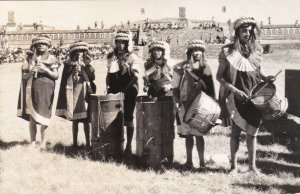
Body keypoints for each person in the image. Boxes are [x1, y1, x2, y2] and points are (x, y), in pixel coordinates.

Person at [216, 16, 275, 174]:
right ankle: (233, 167)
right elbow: (219, 77)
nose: (247, 34)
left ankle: (252, 167)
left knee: (252, 133)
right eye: (244, 31)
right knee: (236, 132)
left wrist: (266, 78)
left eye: (250, 31)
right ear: (237, 32)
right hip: (237, 97)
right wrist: (236, 91)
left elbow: (258, 71)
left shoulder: (256, 50)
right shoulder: (228, 51)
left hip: (255, 97)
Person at [172, 40, 215, 170]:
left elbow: (211, 87)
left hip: (201, 105)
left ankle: (202, 163)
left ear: (203, 52)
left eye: (199, 51)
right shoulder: (181, 67)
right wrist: (177, 101)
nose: (197, 53)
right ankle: (189, 161)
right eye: (194, 51)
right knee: (188, 134)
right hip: (185, 103)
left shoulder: (205, 67)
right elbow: (175, 87)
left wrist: (202, 85)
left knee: (199, 134)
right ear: (189, 53)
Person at [17, 35, 59, 149]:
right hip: (32, 89)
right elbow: (24, 76)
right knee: (32, 117)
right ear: (35, 46)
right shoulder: (29, 59)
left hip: (46, 90)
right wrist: (31, 72)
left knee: (44, 115)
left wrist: (45, 70)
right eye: (39, 44)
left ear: (47, 46)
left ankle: (43, 143)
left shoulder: (52, 58)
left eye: (44, 44)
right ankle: (32, 142)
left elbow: (56, 75)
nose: (41, 46)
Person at [56, 41, 96, 148]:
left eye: (82, 51)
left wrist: (86, 67)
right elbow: (65, 77)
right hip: (73, 92)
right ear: (73, 53)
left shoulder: (88, 63)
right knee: (75, 120)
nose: (79, 54)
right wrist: (73, 70)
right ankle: (74, 143)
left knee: (86, 120)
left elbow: (92, 77)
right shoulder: (68, 64)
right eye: (77, 51)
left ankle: (88, 143)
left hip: (84, 93)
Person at [106, 31, 140, 157]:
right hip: (114, 88)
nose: (121, 45)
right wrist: (108, 86)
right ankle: (116, 145)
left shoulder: (132, 57)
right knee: (114, 118)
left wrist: (126, 89)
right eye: (118, 42)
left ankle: (129, 146)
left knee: (128, 118)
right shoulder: (111, 56)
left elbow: (136, 77)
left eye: (123, 42)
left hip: (130, 90)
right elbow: (108, 73)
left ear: (127, 43)